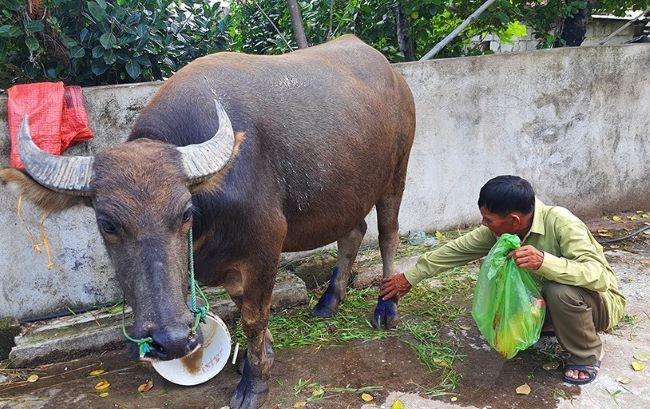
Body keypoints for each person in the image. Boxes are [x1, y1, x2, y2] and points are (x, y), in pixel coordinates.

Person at [380, 175, 626, 385]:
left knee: (559, 290)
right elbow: (456, 250)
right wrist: (409, 277)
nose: (484, 224)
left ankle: (587, 355)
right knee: (503, 287)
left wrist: (544, 262)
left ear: (515, 220)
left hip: (599, 304)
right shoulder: (502, 229)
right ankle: (551, 325)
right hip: (549, 302)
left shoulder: (562, 222)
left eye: (488, 219)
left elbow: (598, 277)